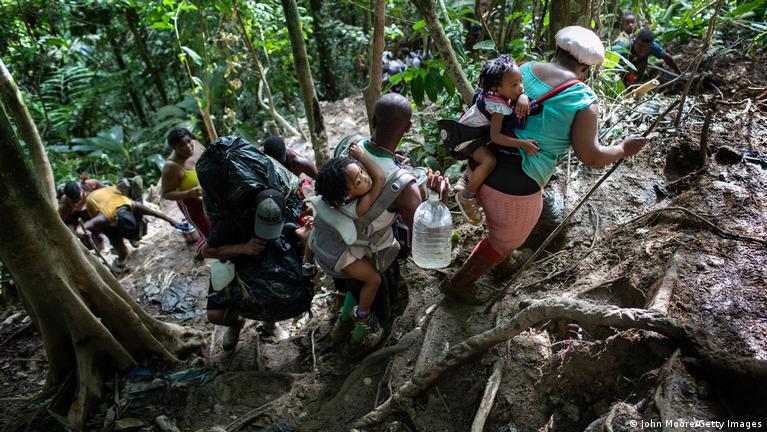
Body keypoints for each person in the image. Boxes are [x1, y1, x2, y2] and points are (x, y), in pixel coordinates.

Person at [440, 26, 649, 304]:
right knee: (504, 240)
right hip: (516, 185)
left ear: (557, 51)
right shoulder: (583, 100)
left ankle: (502, 261)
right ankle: (459, 284)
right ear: (585, 68)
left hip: (481, 162)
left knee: (498, 223)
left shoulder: (520, 71)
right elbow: (591, 156)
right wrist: (623, 148)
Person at [320, 94, 449, 354]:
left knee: (351, 287)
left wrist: (393, 159)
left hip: (333, 246)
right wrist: (438, 199)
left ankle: (342, 324)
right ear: (408, 127)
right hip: (371, 256)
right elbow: (423, 241)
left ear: (373, 119)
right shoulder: (407, 189)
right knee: (378, 304)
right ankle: (359, 342)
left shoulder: (349, 147)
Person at [202, 189, 312, 351]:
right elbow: (207, 251)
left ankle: (270, 324)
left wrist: (306, 243)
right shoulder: (233, 221)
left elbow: (308, 270)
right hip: (239, 264)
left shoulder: (292, 212)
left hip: (276, 264)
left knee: (282, 297)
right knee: (215, 315)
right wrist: (243, 248)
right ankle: (236, 323)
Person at [312, 142, 386, 346]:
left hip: (323, 248)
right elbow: (379, 178)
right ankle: (362, 320)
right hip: (339, 257)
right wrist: (363, 157)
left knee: (356, 286)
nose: (365, 176)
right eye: (358, 180)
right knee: (373, 280)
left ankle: (343, 323)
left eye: (361, 171)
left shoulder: (329, 201)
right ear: (347, 196)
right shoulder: (357, 207)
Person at [455, 55, 539, 225]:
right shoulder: (498, 108)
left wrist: (521, 96)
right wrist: (522, 144)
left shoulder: (491, 93)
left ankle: (464, 179)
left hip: (470, 134)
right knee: (489, 162)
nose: (521, 87)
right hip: (467, 140)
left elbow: (518, 94)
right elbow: (496, 137)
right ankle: (467, 195)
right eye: (514, 85)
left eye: (521, 81)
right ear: (497, 88)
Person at [76, 185, 183, 268]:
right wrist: (83, 234)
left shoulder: (134, 205)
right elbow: (80, 229)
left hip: (109, 193)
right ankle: (122, 250)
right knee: (121, 250)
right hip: (97, 205)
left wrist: (173, 221)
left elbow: (155, 213)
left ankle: (134, 235)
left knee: (137, 232)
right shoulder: (103, 219)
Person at [161, 128, 211, 252]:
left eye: (189, 141)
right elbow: (166, 194)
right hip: (192, 204)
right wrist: (189, 193)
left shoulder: (197, 146)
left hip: (211, 195)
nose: (188, 146)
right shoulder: (171, 167)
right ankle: (202, 252)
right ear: (174, 147)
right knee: (209, 235)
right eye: (181, 145)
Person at [614, 27, 682, 86]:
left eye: (646, 49)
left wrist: (680, 74)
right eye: (640, 47)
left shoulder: (653, 46)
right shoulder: (623, 47)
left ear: (651, 46)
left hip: (636, 69)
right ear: (634, 41)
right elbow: (610, 65)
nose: (642, 51)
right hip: (620, 67)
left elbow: (667, 57)